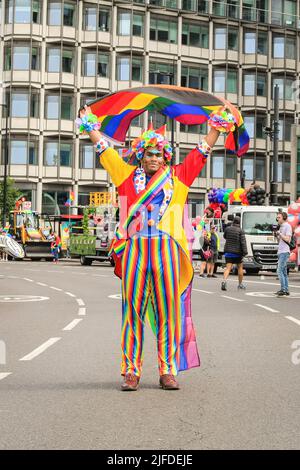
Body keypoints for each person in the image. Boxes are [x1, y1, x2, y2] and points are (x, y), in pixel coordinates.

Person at [77, 104, 236, 391]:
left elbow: (203, 150)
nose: (153, 158)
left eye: (158, 153)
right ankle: (131, 371)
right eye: (148, 153)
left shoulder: (179, 176)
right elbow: (104, 148)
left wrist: (217, 125)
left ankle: (167, 370)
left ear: (165, 156)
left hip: (168, 252)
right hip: (136, 250)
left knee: (168, 313)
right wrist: (88, 121)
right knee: (132, 313)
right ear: (141, 155)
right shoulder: (125, 176)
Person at [221, 216, 247, 291]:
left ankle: (224, 281)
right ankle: (240, 284)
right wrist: (245, 252)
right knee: (240, 268)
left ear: (233, 221)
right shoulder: (241, 231)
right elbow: (243, 242)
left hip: (228, 252)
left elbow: (225, 236)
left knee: (228, 268)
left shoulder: (228, 229)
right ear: (239, 222)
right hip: (238, 253)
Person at [275, 211, 292, 296]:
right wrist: (277, 235)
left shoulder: (287, 226)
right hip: (281, 251)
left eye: (279, 217)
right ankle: (286, 289)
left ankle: (283, 289)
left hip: (284, 251)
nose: (277, 219)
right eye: (277, 217)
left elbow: (288, 239)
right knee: (284, 272)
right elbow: (280, 241)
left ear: (284, 218)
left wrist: (280, 234)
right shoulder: (281, 227)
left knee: (279, 270)